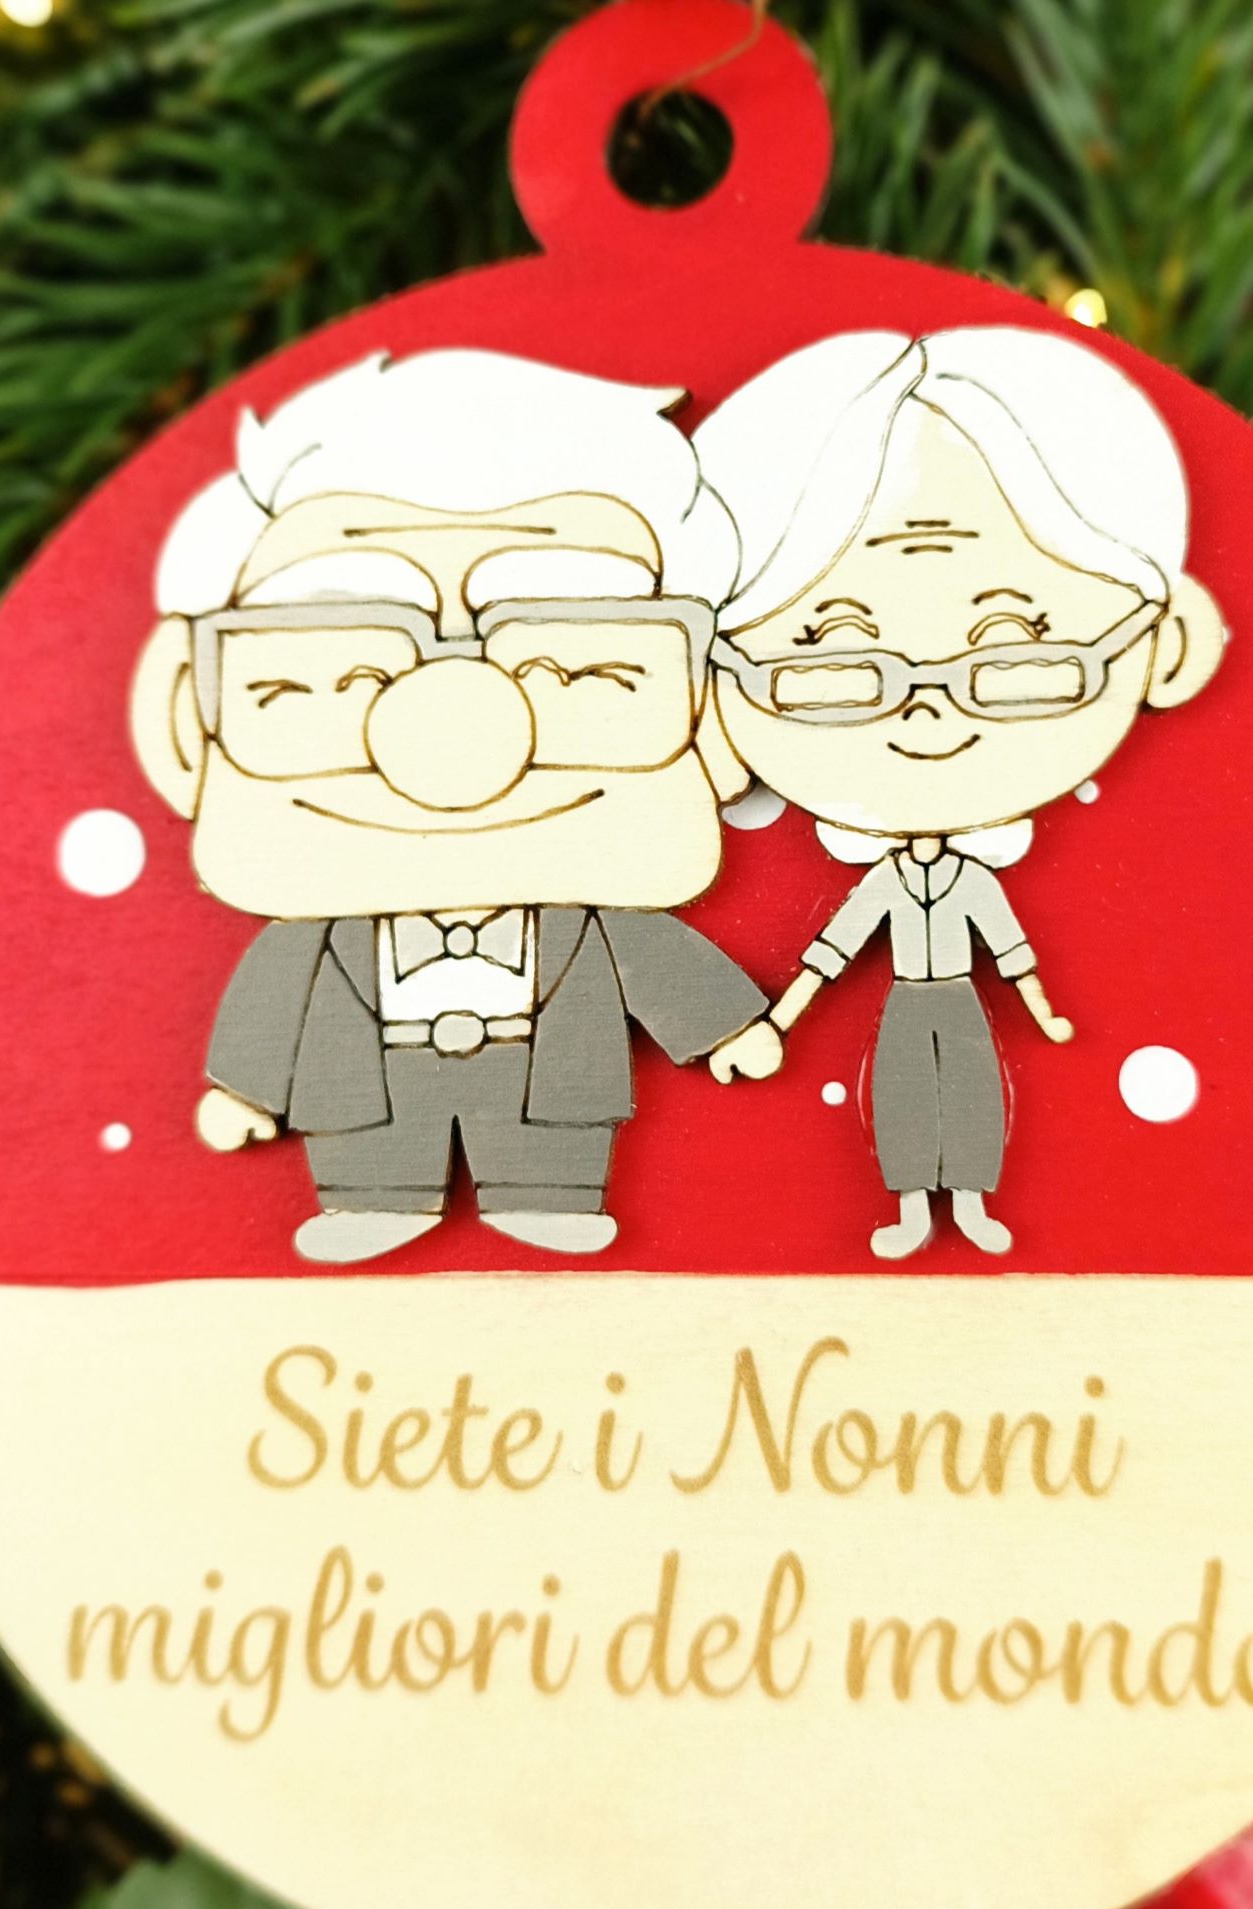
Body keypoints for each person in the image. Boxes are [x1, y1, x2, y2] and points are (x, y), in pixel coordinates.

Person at [129, 349, 783, 1263]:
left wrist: (724, 1027)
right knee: (369, 1141)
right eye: (337, 675)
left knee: (552, 1140)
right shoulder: (314, 931)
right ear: (185, 718)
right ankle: (373, 1200)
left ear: (710, 714)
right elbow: (276, 998)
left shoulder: (599, 915)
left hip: (548, 1082)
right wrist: (246, 1088)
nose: (457, 748)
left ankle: (549, 1195)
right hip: (368, 1086)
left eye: (578, 669)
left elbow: (655, 962)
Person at [693, 327, 1227, 1258]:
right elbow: (833, 951)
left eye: (1015, 647)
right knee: (905, 1091)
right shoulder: (885, 883)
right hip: (908, 1001)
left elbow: (1009, 948)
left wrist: (1043, 1010)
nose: (927, 711)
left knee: (971, 1090)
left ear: (1166, 645)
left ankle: (970, 1202)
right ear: (707, 674)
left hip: (959, 1000)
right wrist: (781, 1015)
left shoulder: (974, 881)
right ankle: (912, 1205)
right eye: (832, 654)